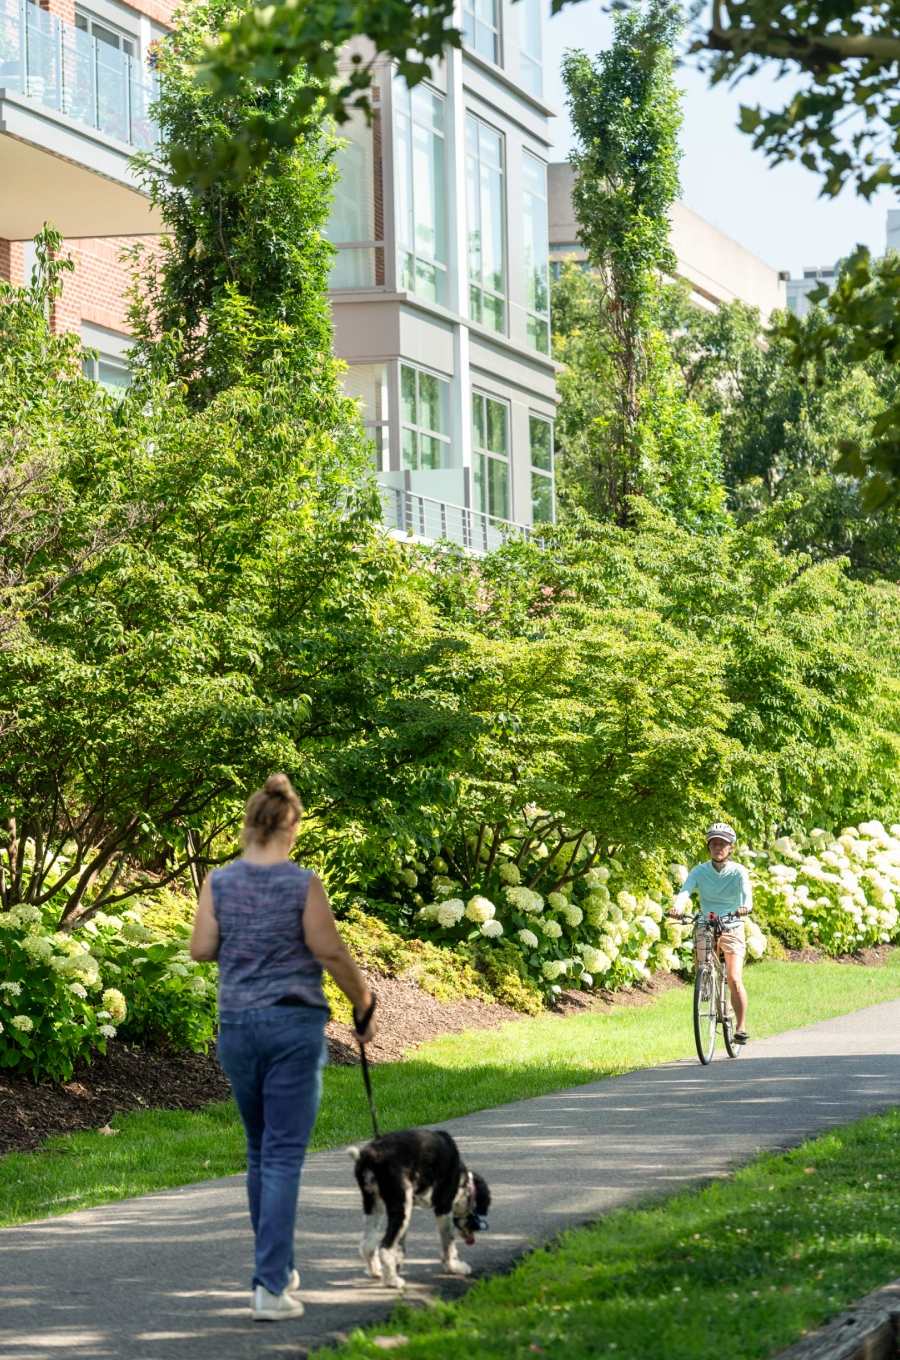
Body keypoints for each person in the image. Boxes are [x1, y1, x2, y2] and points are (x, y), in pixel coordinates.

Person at [189, 773, 377, 1323]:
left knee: (259, 1151)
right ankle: (270, 1287)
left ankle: (279, 1268)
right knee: (282, 1157)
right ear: (290, 828)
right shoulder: (302, 885)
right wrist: (363, 1002)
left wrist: (244, 937)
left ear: (249, 826)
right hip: (292, 1028)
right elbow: (332, 953)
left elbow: (201, 948)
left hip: (239, 1027)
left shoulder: (218, 883)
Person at [669, 822, 752, 1044]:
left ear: (731, 847)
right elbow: (685, 890)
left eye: (723, 844)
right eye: (714, 843)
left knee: (734, 979)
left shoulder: (738, 871)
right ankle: (705, 984)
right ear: (708, 847)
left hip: (732, 924)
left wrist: (745, 907)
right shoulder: (699, 871)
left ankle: (741, 1027)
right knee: (702, 964)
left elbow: (746, 893)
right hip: (706, 922)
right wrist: (677, 907)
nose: (718, 847)